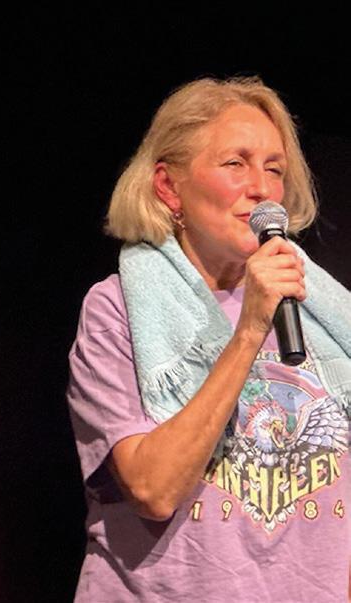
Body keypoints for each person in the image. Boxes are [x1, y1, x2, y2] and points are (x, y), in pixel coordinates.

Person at [67, 77, 350, 602]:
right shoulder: (117, 309)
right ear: (168, 187)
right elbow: (153, 489)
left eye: (274, 169)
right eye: (235, 163)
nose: (262, 188)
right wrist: (249, 330)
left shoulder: (321, 313)